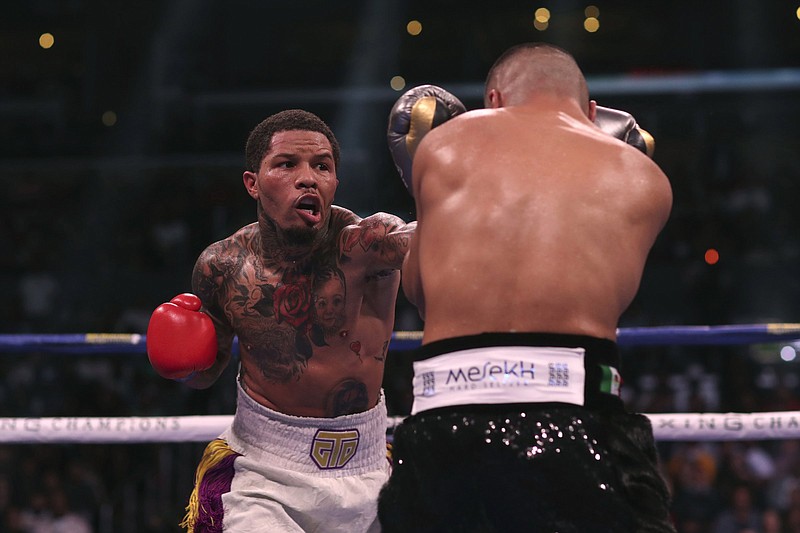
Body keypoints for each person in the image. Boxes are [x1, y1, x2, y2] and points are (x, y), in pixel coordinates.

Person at [378, 43, 675, 532]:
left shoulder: (441, 146)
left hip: (443, 418)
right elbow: (610, 297)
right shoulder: (644, 178)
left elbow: (420, 292)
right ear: (593, 112)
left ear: (493, 100)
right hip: (577, 416)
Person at [146, 109, 415, 532]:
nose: (308, 178)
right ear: (253, 182)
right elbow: (204, 375)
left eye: (321, 166)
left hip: (368, 472)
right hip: (263, 475)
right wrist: (181, 363)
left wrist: (435, 182)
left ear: (334, 183)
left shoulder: (369, 245)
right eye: (287, 164)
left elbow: (429, 242)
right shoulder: (223, 265)